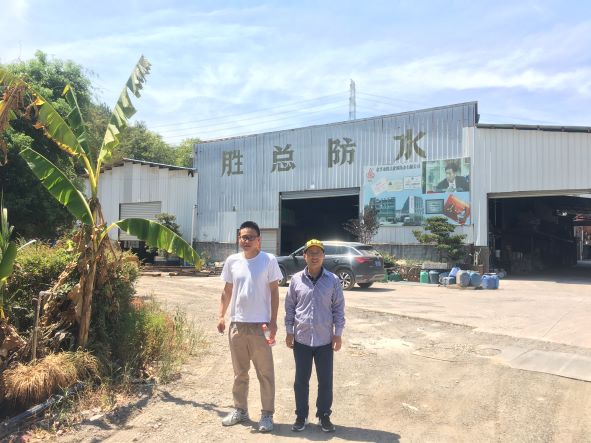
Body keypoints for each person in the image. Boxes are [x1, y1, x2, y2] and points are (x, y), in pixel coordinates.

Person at [218, 221, 283, 433]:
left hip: (260, 326)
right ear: (239, 238)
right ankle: (240, 410)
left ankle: (267, 414)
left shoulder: (268, 260)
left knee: (265, 373)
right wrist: (221, 316)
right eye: (242, 237)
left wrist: (273, 321)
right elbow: (227, 290)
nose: (246, 241)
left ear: (258, 240)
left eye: (250, 237)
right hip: (237, 325)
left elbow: (274, 292)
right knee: (240, 373)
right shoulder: (232, 261)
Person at [284, 239, 345, 433]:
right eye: (310, 253)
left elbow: (338, 309)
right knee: (301, 381)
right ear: (304, 256)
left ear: (323, 256)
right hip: (301, 339)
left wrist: (338, 334)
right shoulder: (296, 280)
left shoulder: (333, 280)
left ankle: (324, 415)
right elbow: (290, 307)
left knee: (325, 381)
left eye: (318, 252)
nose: (314, 256)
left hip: (324, 339)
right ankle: (301, 416)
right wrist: (289, 331)